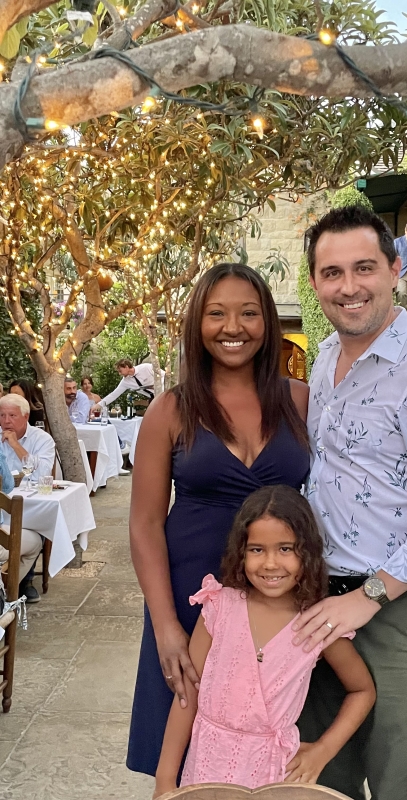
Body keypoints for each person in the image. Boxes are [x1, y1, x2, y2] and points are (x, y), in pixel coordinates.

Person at [293, 205, 407, 800]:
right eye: (332, 272)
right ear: (315, 281)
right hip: (318, 602)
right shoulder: (326, 358)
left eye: (364, 268)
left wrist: (369, 596)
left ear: (395, 268)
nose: (349, 286)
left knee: (396, 780)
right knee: (321, 776)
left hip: (399, 610)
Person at [127, 263, 311, 777]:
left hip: (277, 593)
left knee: (264, 743)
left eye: (248, 313)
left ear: (268, 321)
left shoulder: (300, 400)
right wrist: (165, 625)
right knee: (182, 746)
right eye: (216, 314)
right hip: (190, 594)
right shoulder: (171, 410)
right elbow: (144, 524)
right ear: (198, 323)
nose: (233, 327)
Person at [154, 485, 375, 797]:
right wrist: (165, 778)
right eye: (257, 550)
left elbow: (362, 690)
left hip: (273, 775)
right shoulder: (219, 606)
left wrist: (323, 750)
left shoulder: (317, 624)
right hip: (206, 768)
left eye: (285, 549)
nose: (271, 563)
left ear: (307, 552)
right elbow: (187, 691)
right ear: (241, 552)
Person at [0, 394, 56, 602]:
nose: (6, 421)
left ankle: (22, 582)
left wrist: (15, 445)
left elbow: (42, 475)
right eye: (2, 415)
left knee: (35, 527)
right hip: (5, 507)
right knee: (32, 540)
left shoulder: (42, 439)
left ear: (26, 416)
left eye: (12, 415)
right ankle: (10, 589)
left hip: (27, 499)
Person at [93, 359, 165, 411]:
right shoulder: (125, 382)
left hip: (164, 395)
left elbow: (164, 375)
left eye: (120, 371)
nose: (119, 374)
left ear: (126, 366)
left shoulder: (146, 367)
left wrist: (158, 386)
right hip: (153, 399)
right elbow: (113, 395)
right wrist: (97, 405)